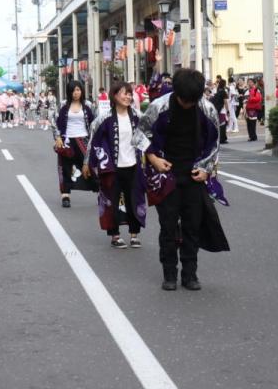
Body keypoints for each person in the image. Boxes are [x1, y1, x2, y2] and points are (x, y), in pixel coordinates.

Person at [135, 67, 229, 291]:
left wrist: (205, 169)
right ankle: (169, 273)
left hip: (194, 175)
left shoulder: (207, 109)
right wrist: (153, 158)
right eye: (184, 100)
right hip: (165, 174)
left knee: (192, 226)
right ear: (176, 92)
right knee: (168, 226)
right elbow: (140, 133)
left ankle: (190, 274)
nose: (187, 104)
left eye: (192, 101)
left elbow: (214, 144)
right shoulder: (159, 106)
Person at [85, 82, 146, 249]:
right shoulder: (104, 118)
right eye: (124, 93)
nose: (128, 97)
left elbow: (148, 134)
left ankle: (134, 234)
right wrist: (87, 163)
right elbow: (93, 139)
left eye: (130, 94)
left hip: (133, 165)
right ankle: (115, 235)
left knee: (134, 199)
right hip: (112, 167)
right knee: (111, 200)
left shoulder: (137, 115)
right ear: (114, 95)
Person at [53, 80, 95, 208]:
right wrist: (57, 137)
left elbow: (95, 122)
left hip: (84, 140)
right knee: (65, 168)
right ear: (69, 92)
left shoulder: (88, 105)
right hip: (66, 140)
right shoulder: (63, 105)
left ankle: (101, 191)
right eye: (73, 90)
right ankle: (65, 195)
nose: (75, 93)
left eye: (78, 90)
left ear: (82, 91)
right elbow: (54, 120)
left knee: (90, 167)